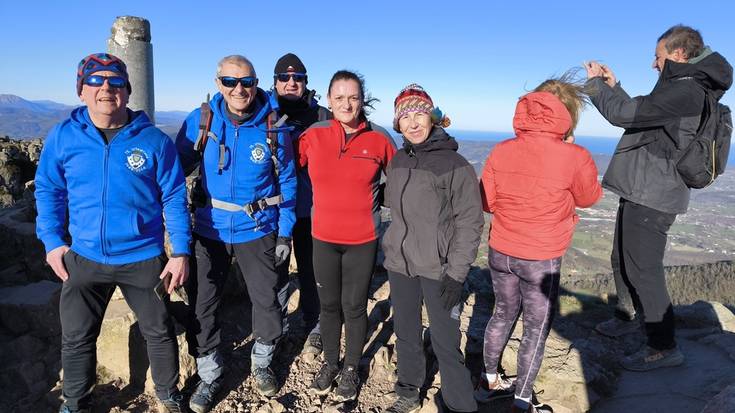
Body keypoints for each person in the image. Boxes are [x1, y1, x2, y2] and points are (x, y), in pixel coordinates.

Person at [35, 53, 191, 413]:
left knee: (159, 330)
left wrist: (180, 251)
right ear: (82, 90)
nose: (106, 88)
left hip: (142, 257)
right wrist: (53, 242)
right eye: (96, 80)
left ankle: (167, 393)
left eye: (116, 81)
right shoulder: (63, 136)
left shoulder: (154, 141)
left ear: (127, 90)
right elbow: (48, 190)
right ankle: (75, 401)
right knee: (76, 337)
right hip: (84, 257)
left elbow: (174, 197)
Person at [585, 25, 732, 371]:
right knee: (622, 257)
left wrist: (594, 85)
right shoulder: (680, 88)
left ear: (678, 55)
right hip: (641, 186)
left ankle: (663, 347)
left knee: (643, 269)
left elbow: (627, 115)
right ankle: (626, 317)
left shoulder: (688, 92)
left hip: (654, 194)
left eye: (658, 56)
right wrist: (614, 87)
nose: (654, 64)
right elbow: (644, 113)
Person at [176, 55, 297, 411]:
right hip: (208, 228)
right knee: (203, 304)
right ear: (218, 84)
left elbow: (287, 183)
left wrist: (285, 235)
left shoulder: (274, 126)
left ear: (256, 83)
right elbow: (170, 173)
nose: (239, 89)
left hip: (258, 228)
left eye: (246, 81)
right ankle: (210, 373)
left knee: (268, 300)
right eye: (230, 81)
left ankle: (261, 362)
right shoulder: (201, 122)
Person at [479, 75, 602, 413]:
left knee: (502, 312)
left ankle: (488, 381)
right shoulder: (574, 155)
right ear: (567, 115)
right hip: (541, 257)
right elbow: (589, 197)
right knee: (535, 326)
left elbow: (487, 202)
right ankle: (521, 400)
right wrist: (569, 148)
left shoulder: (501, 150)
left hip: (500, 248)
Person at [381, 84, 483, 413]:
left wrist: (456, 275)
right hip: (401, 264)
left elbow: (471, 222)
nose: (413, 122)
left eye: (419, 113)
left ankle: (459, 405)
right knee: (407, 332)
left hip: (440, 269)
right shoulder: (397, 162)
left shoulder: (454, 164)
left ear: (433, 117)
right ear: (398, 123)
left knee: (445, 342)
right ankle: (409, 390)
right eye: (405, 116)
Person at [297, 70, 396, 402]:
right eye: (339, 97)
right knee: (328, 306)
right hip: (323, 237)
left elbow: (398, 181)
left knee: (353, 307)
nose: (346, 104)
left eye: (353, 97)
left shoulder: (380, 139)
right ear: (328, 100)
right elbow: (285, 168)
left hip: (362, 239)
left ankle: (351, 368)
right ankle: (329, 362)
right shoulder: (313, 135)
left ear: (362, 99)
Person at [269, 53, 331, 355]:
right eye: (284, 77)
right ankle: (276, 325)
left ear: (306, 82)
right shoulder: (262, 113)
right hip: (273, 209)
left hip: (310, 208)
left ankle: (314, 323)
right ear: (275, 81)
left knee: (311, 269)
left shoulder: (322, 116)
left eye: (298, 78)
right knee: (275, 271)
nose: (291, 82)